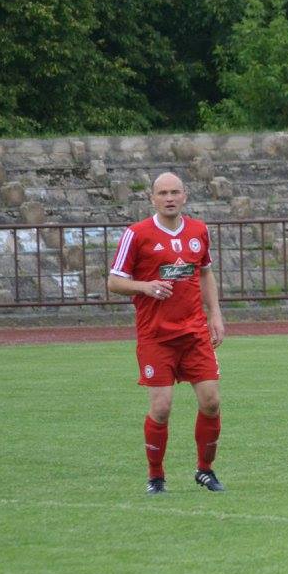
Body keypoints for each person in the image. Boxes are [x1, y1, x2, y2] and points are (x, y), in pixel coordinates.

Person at [107, 172, 225, 495]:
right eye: (163, 193)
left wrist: (215, 313)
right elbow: (114, 281)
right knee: (161, 408)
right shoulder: (136, 234)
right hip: (156, 336)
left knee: (211, 401)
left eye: (175, 192)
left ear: (185, 196)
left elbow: (205, 273)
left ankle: (205, 470)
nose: (169, 198)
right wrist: (145, 286)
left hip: (194, 332)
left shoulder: (199, 231)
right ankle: (156, 476)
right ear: (152, 198)